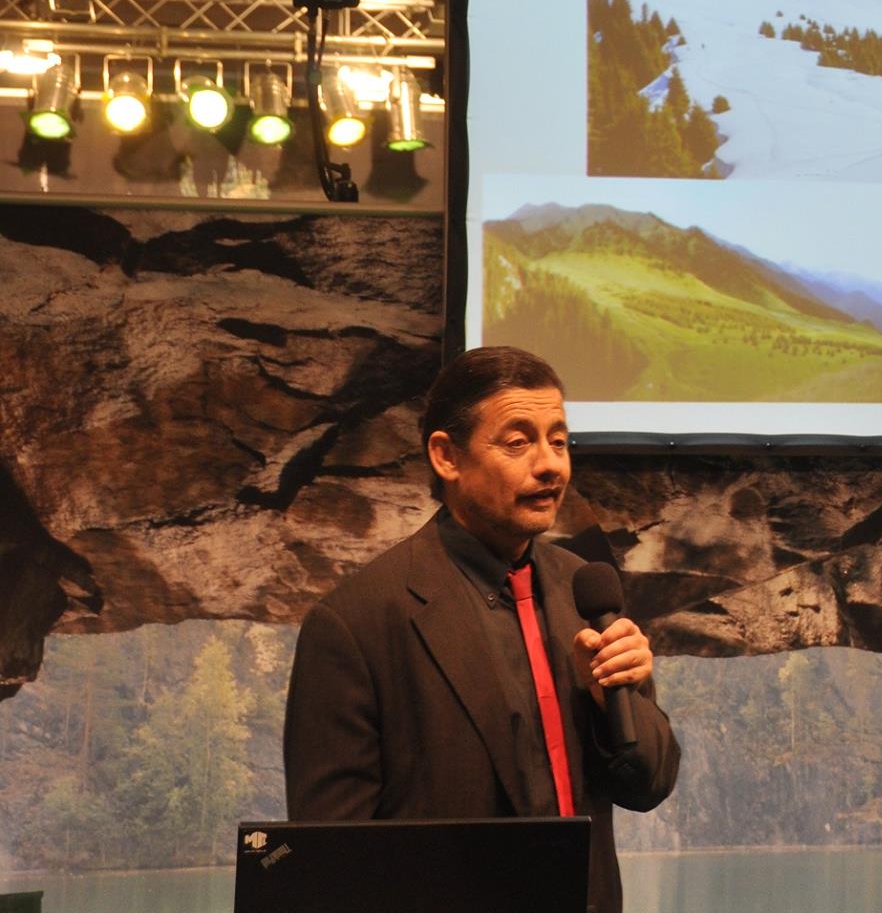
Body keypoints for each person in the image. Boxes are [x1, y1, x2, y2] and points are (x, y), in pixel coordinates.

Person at [283, 346, 679, 913]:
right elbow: (334, 864)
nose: (551, 465)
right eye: (518, 443)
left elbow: (649, 783)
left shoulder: (584, 589)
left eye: (559, 441)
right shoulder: (355, 625)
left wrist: (617, 701)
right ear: (447, 456)